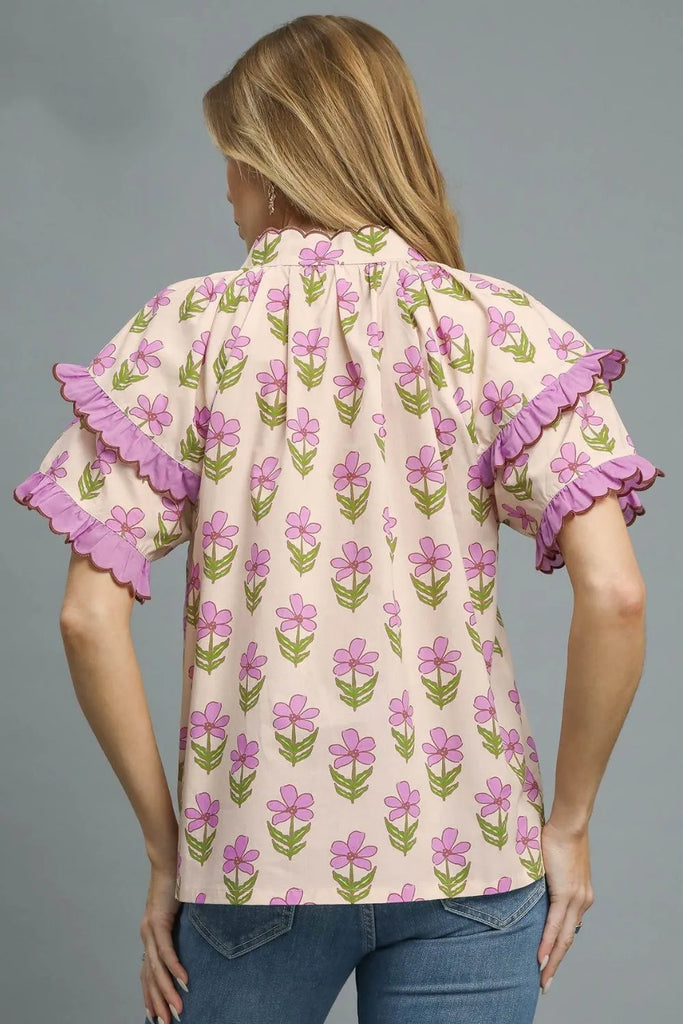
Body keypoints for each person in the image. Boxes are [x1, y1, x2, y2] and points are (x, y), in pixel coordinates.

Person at [12, 14, 664, 1024]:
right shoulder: (498, 328)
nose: (227, 194)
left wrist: (167, 850)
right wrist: (568, 823)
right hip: (472, 851)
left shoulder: (185, 333)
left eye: (231, 163)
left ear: (272, 165)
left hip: (251, 861)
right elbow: (614, 594)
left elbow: (86, 618)